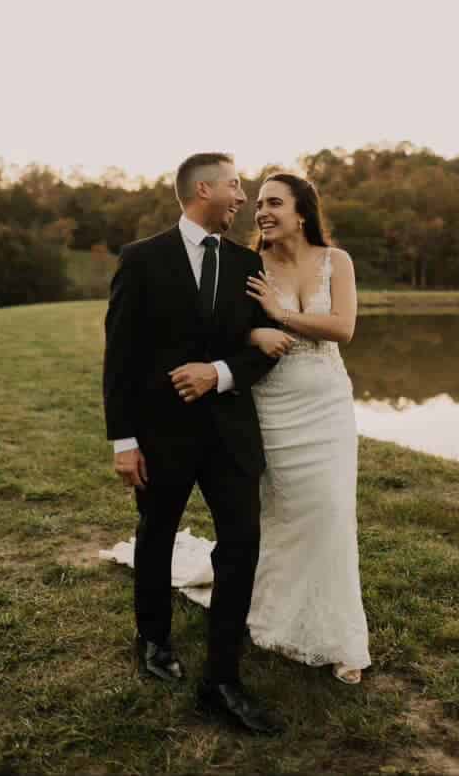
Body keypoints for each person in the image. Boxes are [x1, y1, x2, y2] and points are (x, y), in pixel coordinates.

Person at [103, 152, 294, 736]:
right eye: (235, 186)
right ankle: (153, 640)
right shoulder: (140, 260)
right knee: (156, 534)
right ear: (202, 189)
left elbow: (263, 347)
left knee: (242, 543)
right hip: (161, 435)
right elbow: (121, 358)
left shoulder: (245, 264)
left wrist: (221, 372)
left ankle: (221, 679)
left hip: (232, 433)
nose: (243, 198)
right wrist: (124, 440)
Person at [245, 173, 371, 684]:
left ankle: (341, 639)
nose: (261, 212)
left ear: (302, 212)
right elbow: (223, 325)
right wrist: (254, 329)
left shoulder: (336, 262)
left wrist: (278, 314)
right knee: (286, 516)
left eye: (274, 203)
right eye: (257, 204)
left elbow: (343, 327)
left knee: (333, 511)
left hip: (326, 405)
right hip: (272, 406)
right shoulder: (247, 265)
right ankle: (278, 620)